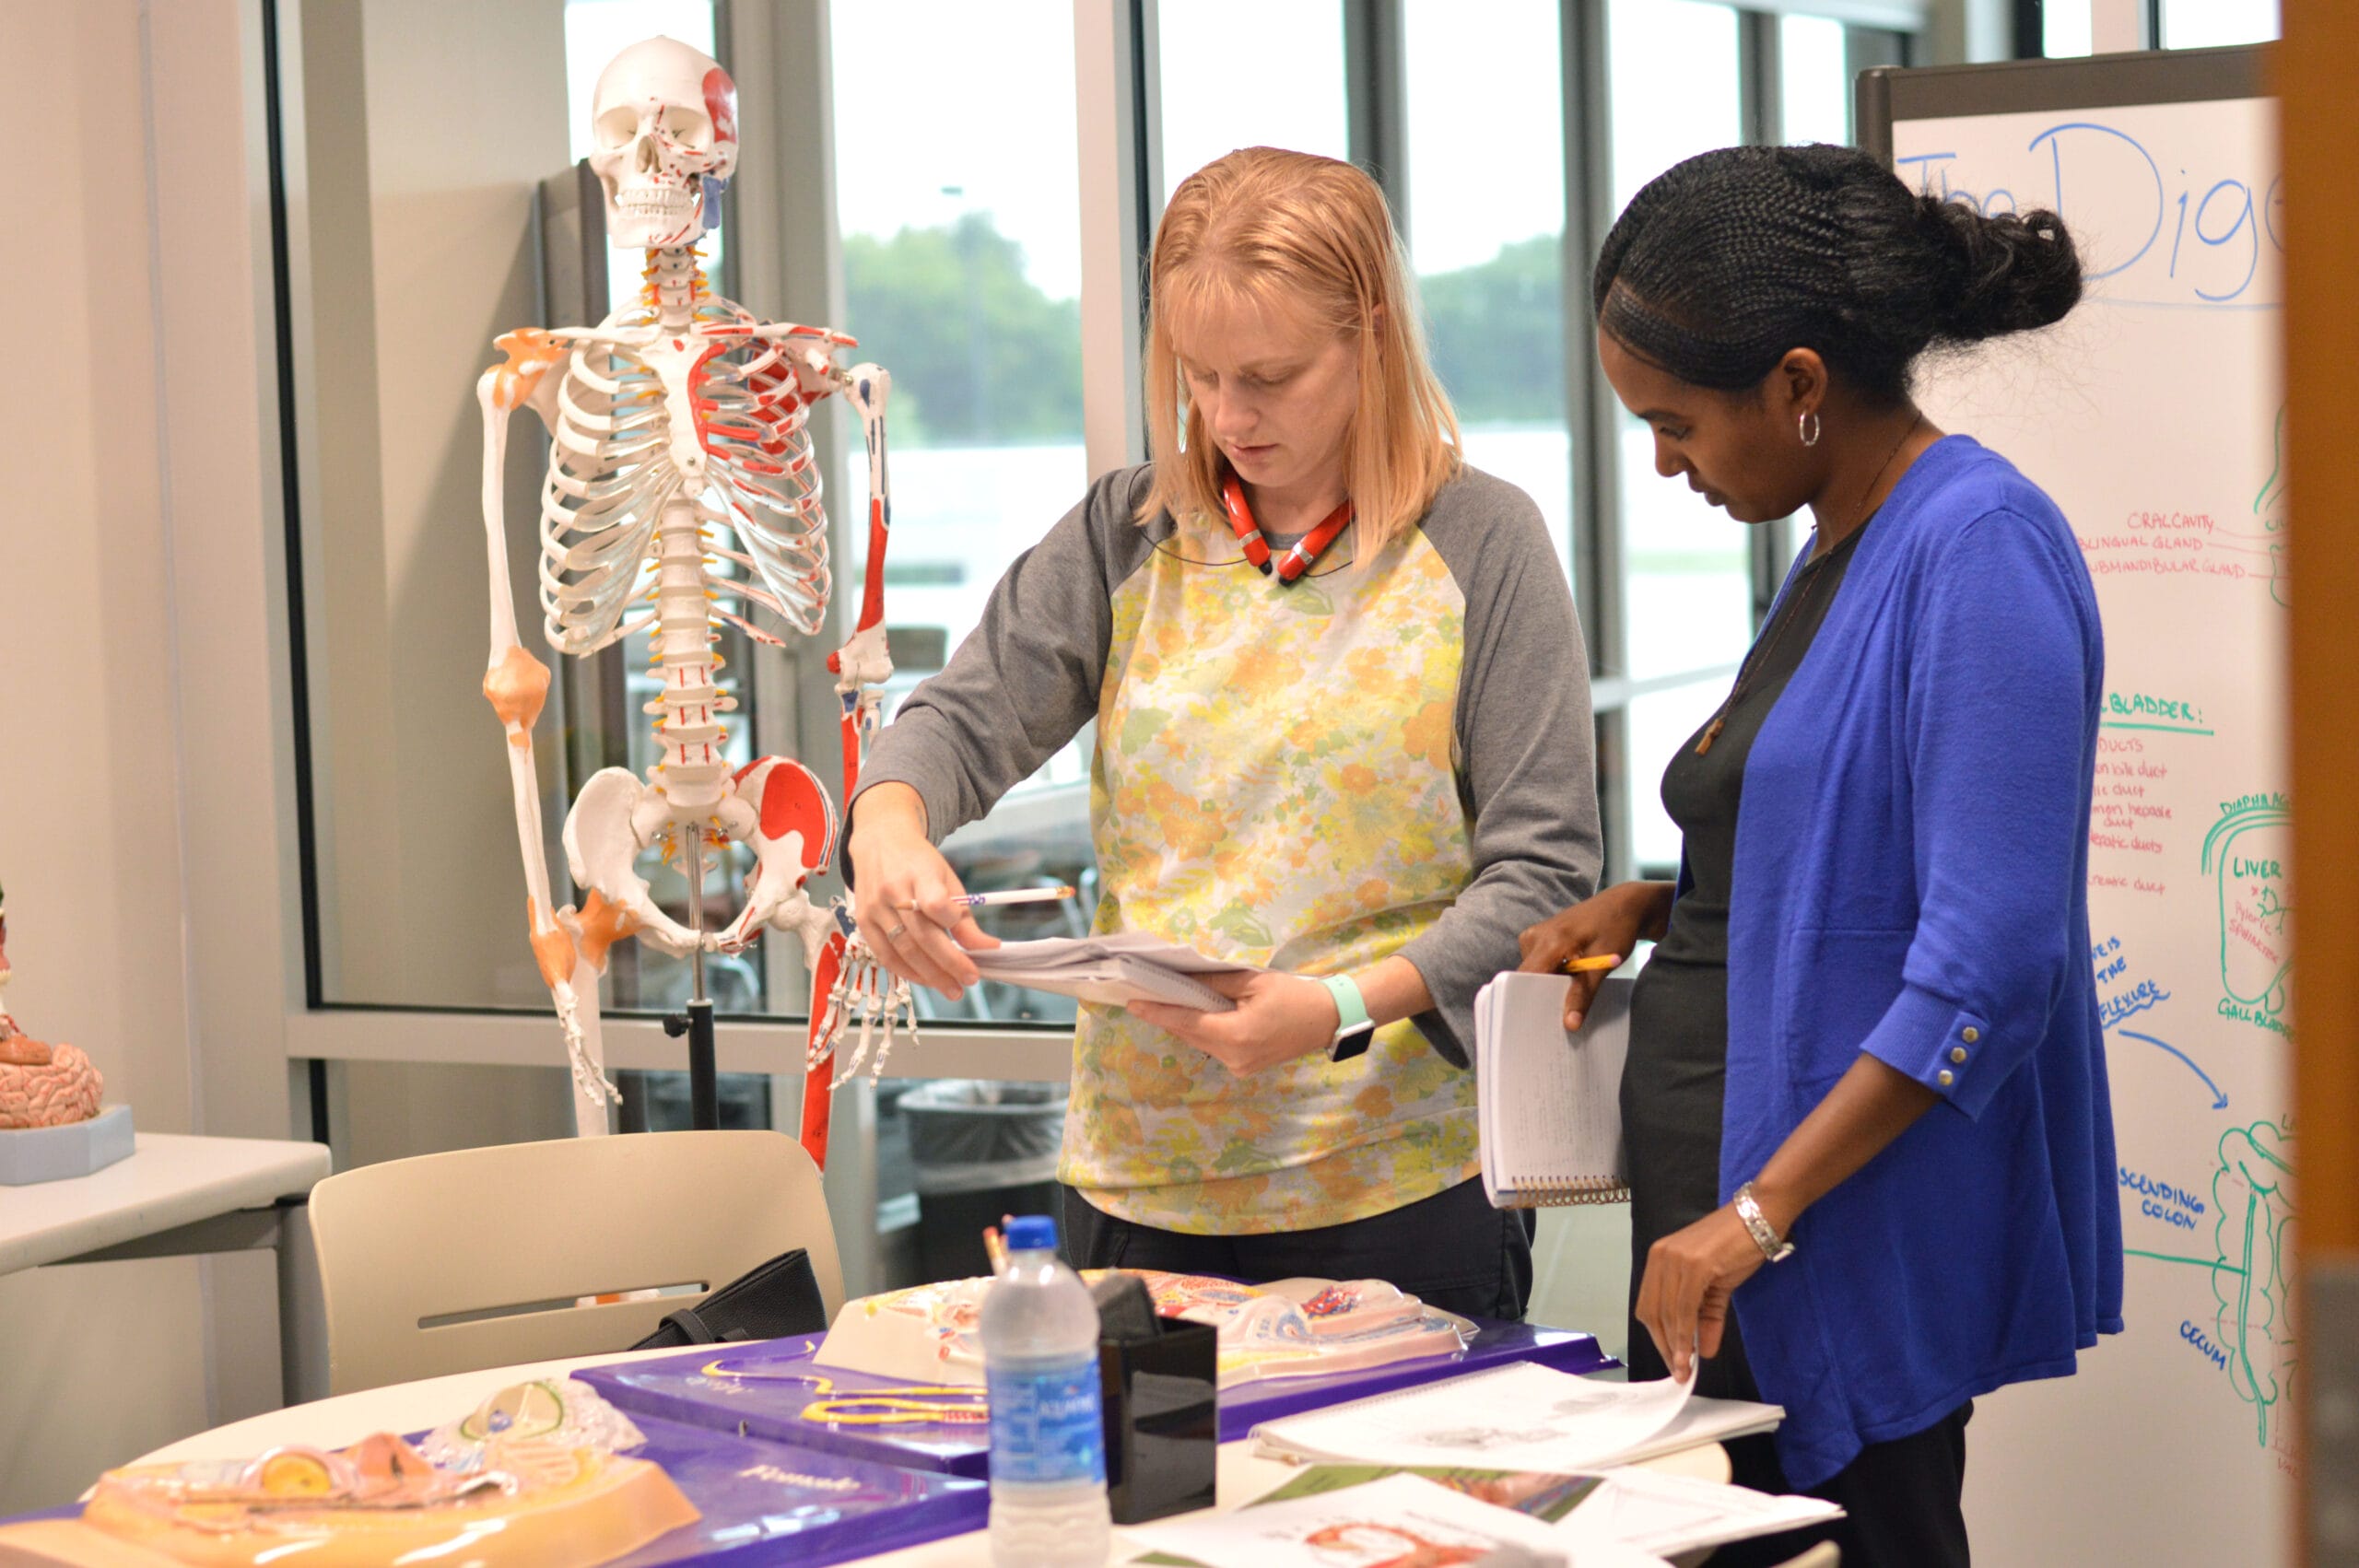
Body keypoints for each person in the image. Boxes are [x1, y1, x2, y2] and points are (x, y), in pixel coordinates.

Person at [845, 146, 1599, 1319]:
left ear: (1373, 342)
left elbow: (1543, 877)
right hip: (1138, 1185)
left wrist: (1337, 1010)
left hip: (1399, 1190)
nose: (1228, 416)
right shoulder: (1126, 533)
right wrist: (888, 826)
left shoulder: (1482, 543)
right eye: (1198, 376)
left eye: (1270, 375)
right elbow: (956, 720)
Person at [1519, 144, 2120, 1566]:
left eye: (1674, 423)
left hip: (1821, 1237)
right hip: (1732, 1232)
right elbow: (1854, 845)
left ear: (1797, 385)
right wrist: (1667, 901)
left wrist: (1754, 1217)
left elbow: (1990, 961)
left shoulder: (1976, 545)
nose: (1663, 464)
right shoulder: (1838, 540)